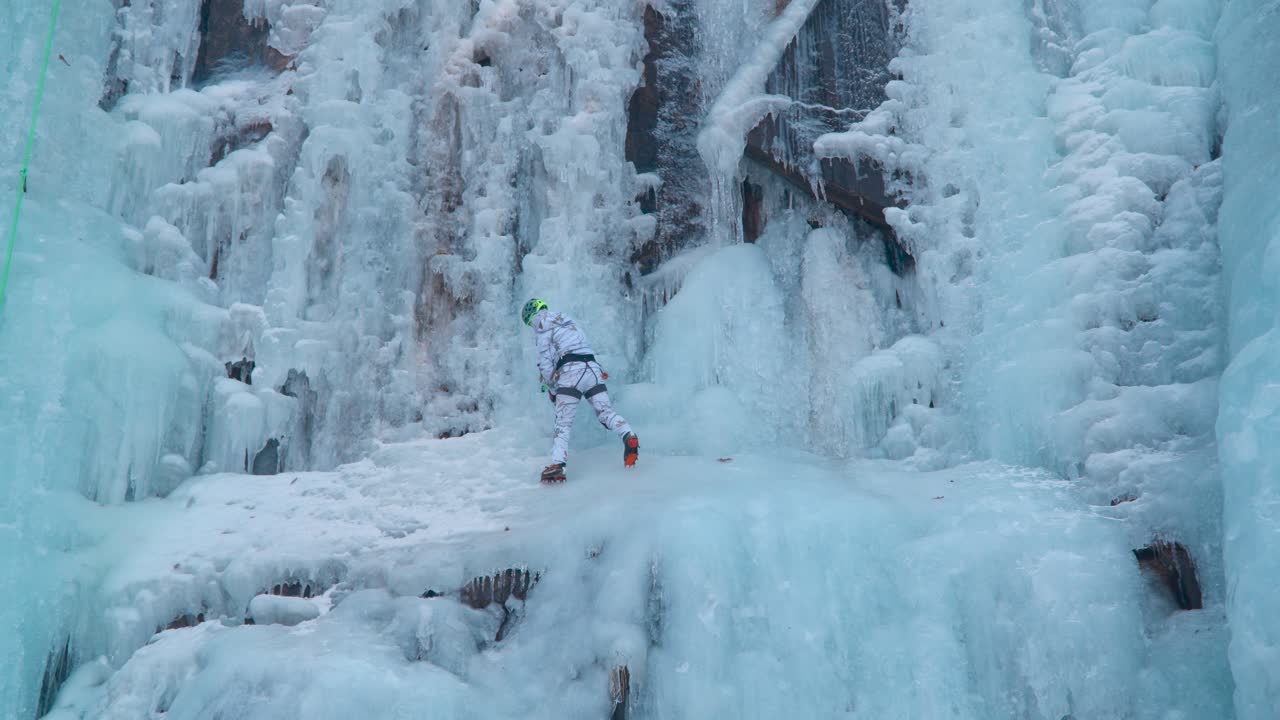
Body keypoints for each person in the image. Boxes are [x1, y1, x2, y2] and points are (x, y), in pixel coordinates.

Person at [522, 298, 639, 483]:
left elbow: (546, 365)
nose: (532, 327)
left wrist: (552, 388)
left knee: (563, 424)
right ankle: (628, 434)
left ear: (532, 317)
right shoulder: (568, 321)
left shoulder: (542, 328)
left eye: (530, 323)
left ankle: (558, 465)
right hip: (593, 369)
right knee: (605, 413)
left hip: (570, 372)